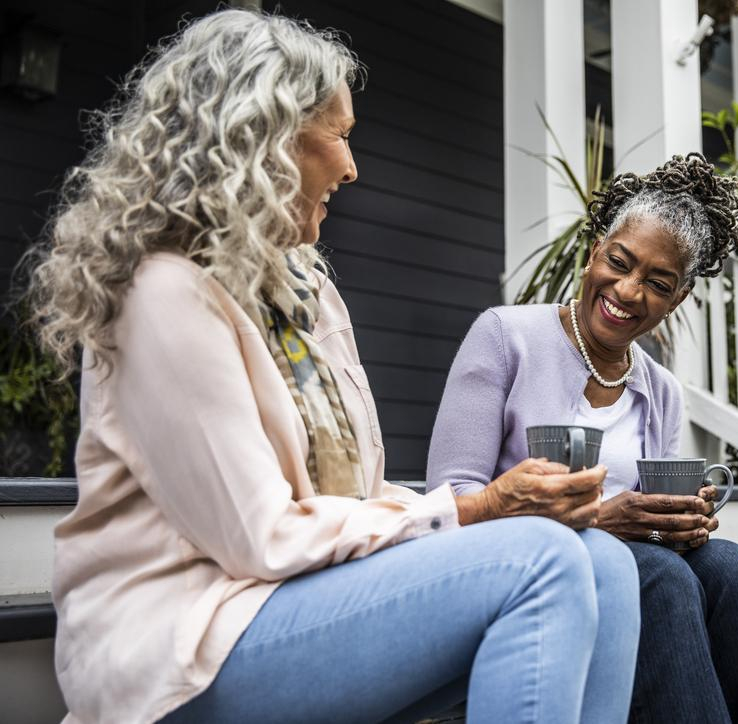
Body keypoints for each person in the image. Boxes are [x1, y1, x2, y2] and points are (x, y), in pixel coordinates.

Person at [26, 10, 640, 723]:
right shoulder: (166, 292)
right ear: (261, 136)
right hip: (182, 644)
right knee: (540, 560)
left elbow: (360, 491)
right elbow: (260, 538)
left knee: (605, 562)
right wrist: (475, 508)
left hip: (297, 602)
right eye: (340, 134)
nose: (351, 166)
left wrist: (482, 510)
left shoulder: (304, 290)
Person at [427, 154, 738, 723]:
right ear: (595, 248)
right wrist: (598, 520)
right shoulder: (504, 336)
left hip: (635, 572)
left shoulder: (662, 390)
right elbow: (451, 502)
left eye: (657, 283)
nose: (627, 289)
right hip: (522, 568)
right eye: (619, 262)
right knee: (660, 577)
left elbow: (651, 519)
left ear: (678, 298)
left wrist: (680, 520)